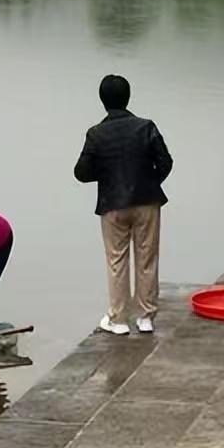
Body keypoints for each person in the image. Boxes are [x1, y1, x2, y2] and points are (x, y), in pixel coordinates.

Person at [74, 74, 173, 336]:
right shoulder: (146, 126)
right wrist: (149, 180)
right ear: (128, 98)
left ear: (103, 101)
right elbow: (166, 162)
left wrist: (107, 174)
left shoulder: (96, 134)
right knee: (147, 258)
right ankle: (145, 317)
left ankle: (118, 320)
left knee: (117, 261)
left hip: (113, 204)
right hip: (147, 201)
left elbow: (81, 172)